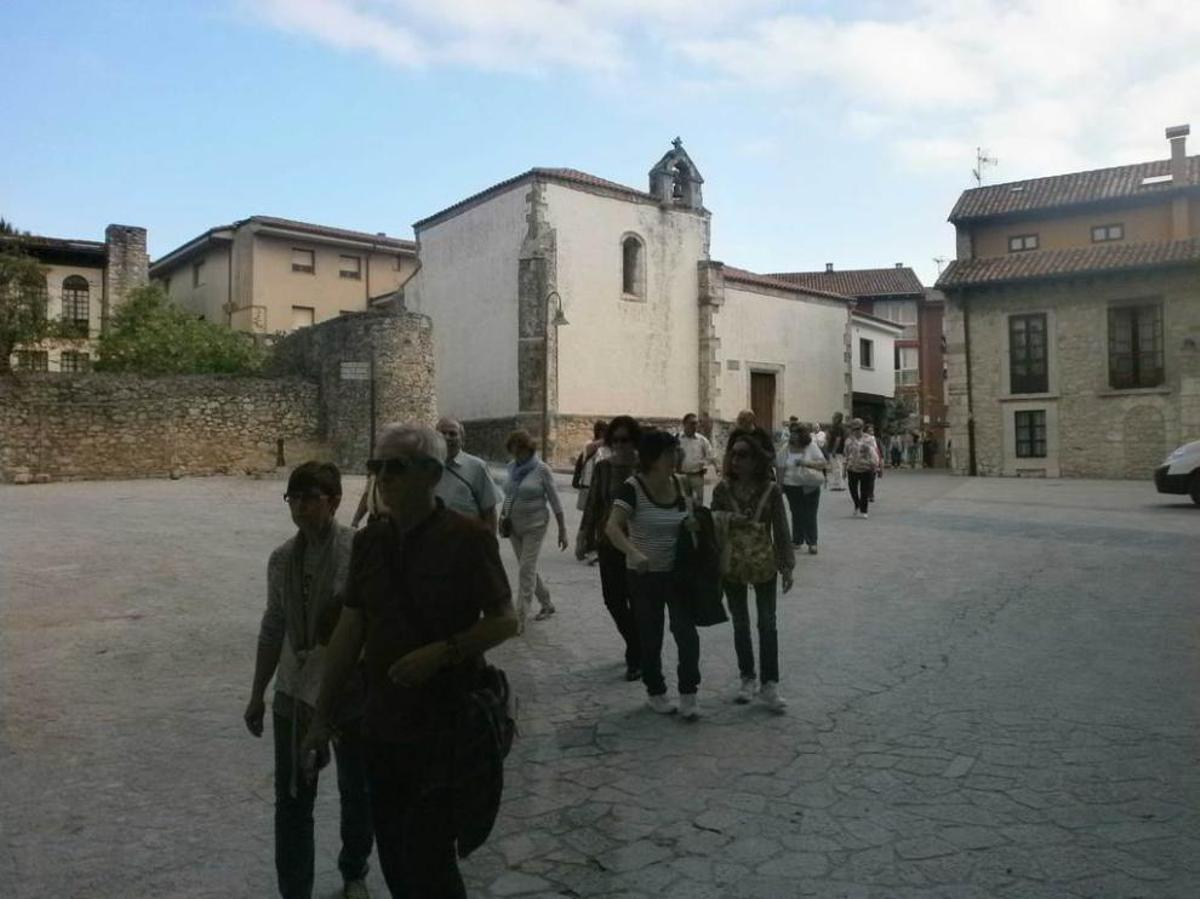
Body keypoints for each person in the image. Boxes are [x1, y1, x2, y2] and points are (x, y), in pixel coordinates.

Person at [301, 424, 518, 898]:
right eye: (376, 466)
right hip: (381, 726)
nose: (382, 476)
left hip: (445, 726)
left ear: (432, 474)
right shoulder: (370, 543)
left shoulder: (469, 538)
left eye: (395, 466)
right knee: (395, 856)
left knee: (429, 857)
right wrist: (321, 717)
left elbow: (505, 621)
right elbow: (349, 631)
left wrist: (442, 653)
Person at [244, 462, 373, 899]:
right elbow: (273, 624)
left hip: (348, 688)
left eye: (309, 498)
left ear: (334, 501)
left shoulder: (356, 551)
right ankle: (294, 890)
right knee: (293, 797)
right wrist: (257, 693)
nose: (299, 507)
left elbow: (370, 622)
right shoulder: (282, 559)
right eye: (292, 498)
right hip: (294, 689)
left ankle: (354, 869)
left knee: (357, 788)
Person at [605, 429, 704, 720]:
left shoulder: (681, 484)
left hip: (678, 574)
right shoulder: (633, 488)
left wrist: (695, 526)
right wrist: (633, 553)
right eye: (670, 452)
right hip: (644, 576)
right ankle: (656, 692)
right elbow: (612, 527)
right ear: (654, 458)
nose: (676, 456)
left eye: (675, 451)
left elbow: (692, 519)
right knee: (651, 636)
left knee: (686, 634)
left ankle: (689, 693)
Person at [712, 430, 795, 712]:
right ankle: (747, 678)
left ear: (756, 459)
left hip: (763, 562)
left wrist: (787, 565)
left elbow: (781, 528)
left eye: (743, 455)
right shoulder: (722, 490)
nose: (736, 460)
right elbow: (711, 522)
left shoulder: (770, 490)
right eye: (733, 454)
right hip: (733, 562)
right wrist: (726, 518)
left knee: (767, 623)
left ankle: (769, 683)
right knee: (740, 623)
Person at [576, 415, 643, 681]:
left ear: (634, 441)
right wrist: (583, 534)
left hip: (637, 543)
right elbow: (593, 502)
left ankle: (636, 655)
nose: (619, 445)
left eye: (624, 440)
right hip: (608, 542)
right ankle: (635, 643)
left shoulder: (644, 467)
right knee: (613, 600)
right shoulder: (603, 467)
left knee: (636, 600)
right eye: (614, 440)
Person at [501, 429, 567, 631]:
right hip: (514, 525)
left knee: (525, 569)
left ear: (528, 449)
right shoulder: (512, 467)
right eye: (513, 451)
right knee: (526, 567)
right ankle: (547, 604)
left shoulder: (541, 469)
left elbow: (555, 500)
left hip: (535, 526)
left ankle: (519, 617)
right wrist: (502, 516)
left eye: (519, 451)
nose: (516, 456)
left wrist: (563, 529)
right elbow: (509, 495)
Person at [434, 417, 503, 534]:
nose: (447, 437)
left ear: (462, 440)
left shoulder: (477, 467)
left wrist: (491, 543)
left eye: (452, 434)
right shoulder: (427, 466)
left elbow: (489, 510)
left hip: (468, 541)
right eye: (442, 433)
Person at [778, 423, 826, 554]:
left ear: (802, 434)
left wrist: (806, 463)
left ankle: (812, 542)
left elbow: (823, 464)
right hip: (791, 485)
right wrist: (780, 486)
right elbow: (780, 468)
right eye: (791, 432)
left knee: (810, 514)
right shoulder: (786, 448)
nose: (792, 435)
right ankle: (797, 540)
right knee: (796, 513)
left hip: (810, 485)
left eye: (795, 432)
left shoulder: (811, 447)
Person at [676, 412, 714, 506]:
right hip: (681, 475)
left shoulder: (702, 440)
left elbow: (710, 455)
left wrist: (705, 464)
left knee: (699, 501)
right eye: (692, 423)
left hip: (697, 476)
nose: (695, 426)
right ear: (684, 424)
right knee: (683, 500)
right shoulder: (676, 439)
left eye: (696, 423)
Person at [844, 418, 878, 519]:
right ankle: (857, 504)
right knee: (853, 489)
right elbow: (846, 454)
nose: (856, 431)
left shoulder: (869, 438)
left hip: (866, 467)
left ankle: (864, 510)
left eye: (858, 428)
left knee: (864, 490)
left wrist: (868, 450)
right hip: (852, 467)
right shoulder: (849, 440)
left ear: (862, 428)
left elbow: (875, 452)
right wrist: (844, 468)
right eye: (854, 429)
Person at [574, 419, 609, 514]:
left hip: (599, 484)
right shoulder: (590, 444)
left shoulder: (607, 447)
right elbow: (589, 450)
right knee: (589, 514)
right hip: (588, 483)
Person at [827, 412, 847, 491]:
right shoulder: (840, 427)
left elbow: (838, 439)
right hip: (838, 450)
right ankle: (838, 483)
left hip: (837, 450)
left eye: (834, 417)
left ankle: (839, 484)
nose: (832, 418)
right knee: (837, 466)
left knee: (837, 467)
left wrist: (834, 450)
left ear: (838, 418)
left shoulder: (838, 427)